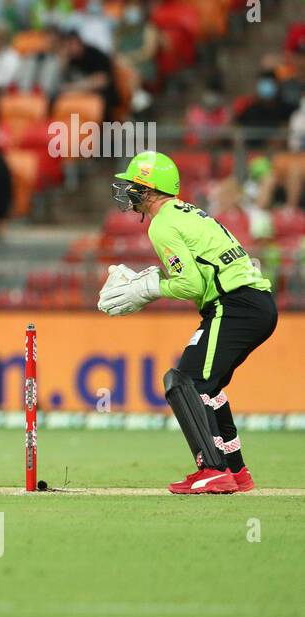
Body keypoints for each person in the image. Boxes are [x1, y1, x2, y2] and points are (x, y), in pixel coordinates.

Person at [98, 151, 276, 494]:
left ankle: (213, 469)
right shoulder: (188, 211)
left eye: (134, 185)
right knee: (207, 389)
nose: (128, 192)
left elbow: (191, 284)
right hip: (249, 304)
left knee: (186, 382)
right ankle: (236, 472)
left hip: (235, 304)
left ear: (150, 190)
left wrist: (150, 287)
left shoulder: (163, 223)